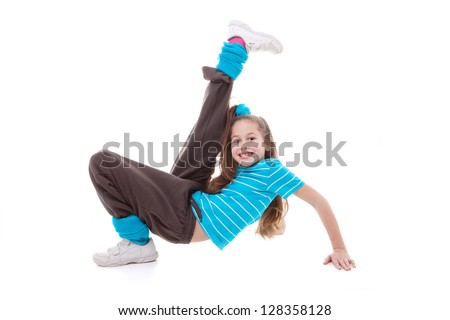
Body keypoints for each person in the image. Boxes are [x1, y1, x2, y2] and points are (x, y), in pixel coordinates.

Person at [88, 20, 356, 271]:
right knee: (217, 122)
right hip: (190, 197)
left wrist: (339, 248)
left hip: (182, 219)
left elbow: (320, 202)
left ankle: (137, 243)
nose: (243, 146)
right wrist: (240, 116)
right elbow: (230, 130)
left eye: (252, 139)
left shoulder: (274, 172)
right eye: (237, 143)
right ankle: (237, 46)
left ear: (266, 144)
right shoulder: (242, 169)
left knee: (102, 163)